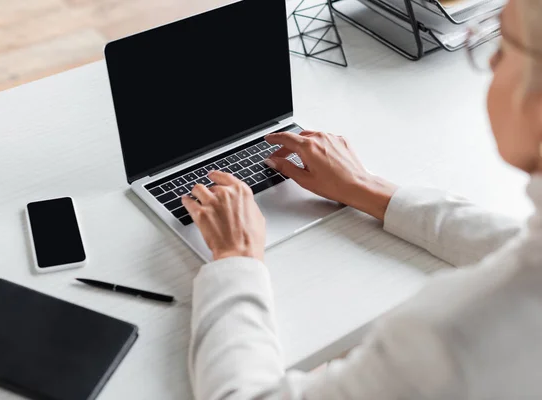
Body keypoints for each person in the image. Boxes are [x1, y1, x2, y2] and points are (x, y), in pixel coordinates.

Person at [181, 0, 542, 398]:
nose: (491, 65)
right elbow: (518, 246)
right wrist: (369, 189)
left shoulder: (457, 335)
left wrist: (237, 258)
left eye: (502, 46)